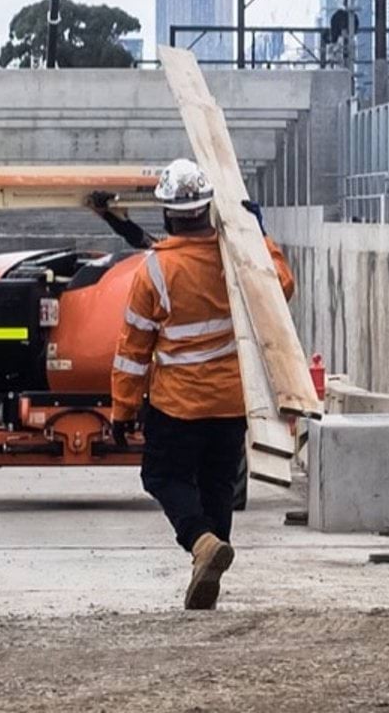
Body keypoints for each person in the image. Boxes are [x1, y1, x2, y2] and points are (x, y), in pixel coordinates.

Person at [110, 158, 295, 610]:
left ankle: (201, 545)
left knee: (162, 475)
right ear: (208, 209)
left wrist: (123, 409)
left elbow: (133, 348)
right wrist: (261, 236)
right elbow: (281, 288)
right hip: (231, 401)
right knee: (218, 487)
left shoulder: (155, 270)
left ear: (168, 214)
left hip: (179, 403)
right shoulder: (235, 255)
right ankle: (207, 568)